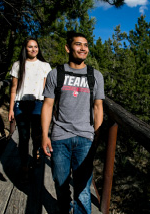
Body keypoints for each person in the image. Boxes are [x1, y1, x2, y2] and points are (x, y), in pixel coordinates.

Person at [41, 31, 105, 214]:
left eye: (85, 45)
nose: (83, 48)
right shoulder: (56, 74)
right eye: (78, 44)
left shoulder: (96, 76)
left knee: (83, 188)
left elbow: (98, 107)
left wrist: (97, 135)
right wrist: (45, 135)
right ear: (68, 48)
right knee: (60, 182)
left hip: (86, 137)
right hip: (60, 136)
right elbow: (47, 105)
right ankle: (63, 208)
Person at [8, 37, 52, 180]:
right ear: (25, 49)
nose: (33, 49)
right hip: (21, 104)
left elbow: (47, 89)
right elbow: (13, 89)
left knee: (37, 134)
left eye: (36, 47)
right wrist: (10, 108)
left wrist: (49, 107)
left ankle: (36, 154)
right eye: (30, 47)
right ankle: (24, 165)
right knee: (23, 136)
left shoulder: (45, 66)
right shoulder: (17, 65)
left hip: (38, 104)